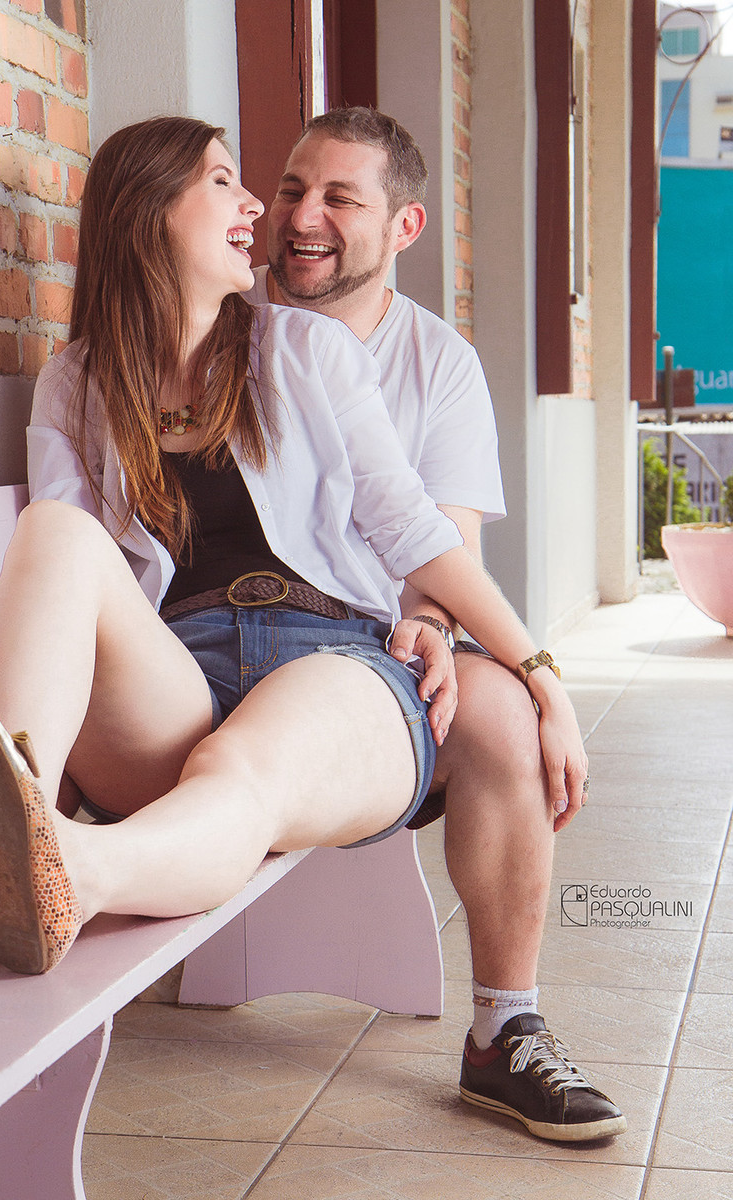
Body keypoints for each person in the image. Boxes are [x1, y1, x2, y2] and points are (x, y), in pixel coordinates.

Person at [0, 115, 624, 1144]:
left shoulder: (302, 347)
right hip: (173, 676)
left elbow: (415, 533)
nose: (261, 206)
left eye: (321, 196)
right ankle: (11, 861)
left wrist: (536, 671)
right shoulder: (77, 383)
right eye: (227, 180)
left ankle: (66, 875)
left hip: (331, 662)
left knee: (245, 773)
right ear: (147, 215)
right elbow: (73, 600)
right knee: (51, 531)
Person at [247, 107, 625, 1140]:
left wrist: (460, 642)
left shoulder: (436, 362)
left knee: (501, 721)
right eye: (289, 189)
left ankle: (504, 1032)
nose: (301, 217)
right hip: (237, 654)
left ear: (403, 226)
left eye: (338, 198)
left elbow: (437, 547)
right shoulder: (220, 325)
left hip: (382, 646)